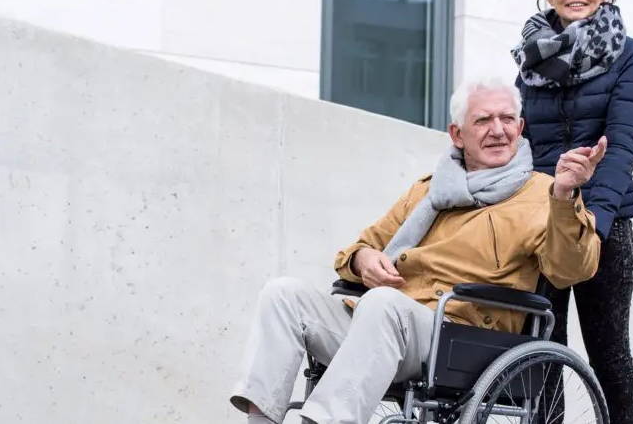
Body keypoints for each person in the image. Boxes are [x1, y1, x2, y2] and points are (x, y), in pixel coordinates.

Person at [227, 77, 606, 424]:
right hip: (385, 326)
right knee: (283, 295)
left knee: (383, 304)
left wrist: (565, 195)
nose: (497, 130)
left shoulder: (544, 193)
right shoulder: (428, 191)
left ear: (521, 128)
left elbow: (571, 270)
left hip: (463, 335)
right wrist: (363, 261)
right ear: (457, 134)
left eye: (507, 119)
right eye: (483, 120)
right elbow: (362, 246)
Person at [510, 0, 633, 424]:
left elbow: (622, 146)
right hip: (544, 221)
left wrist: (597, 224)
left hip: (603, 225)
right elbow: (520, 144)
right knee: (543, 353)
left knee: (609, 355)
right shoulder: (532, 63)